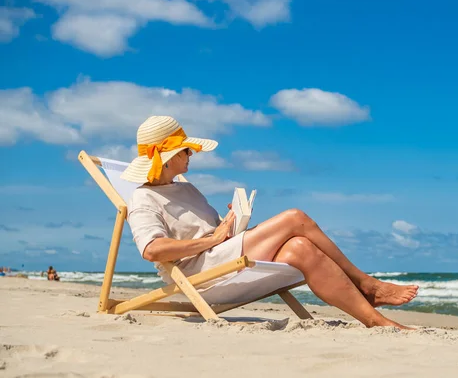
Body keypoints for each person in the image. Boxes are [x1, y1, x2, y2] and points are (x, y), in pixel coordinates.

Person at [122, 116, 419, 329]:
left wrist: (230, 222)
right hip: (198, 276)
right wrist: (212, 241)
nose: (191, 155)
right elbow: (152, 249)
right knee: (295, 218)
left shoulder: (186, 188)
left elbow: (215, 235)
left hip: (216, 259)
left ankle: (375, 321)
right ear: (169, 156)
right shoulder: (143, 199)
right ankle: (367, 283)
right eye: (186, 150)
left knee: (300, 248)